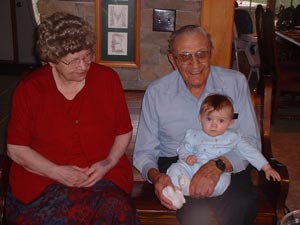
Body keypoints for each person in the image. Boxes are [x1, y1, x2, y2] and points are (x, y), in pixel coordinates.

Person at [6, 12, 140, 225]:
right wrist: (56, 172)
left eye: (87, 56)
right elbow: (16, 148)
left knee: (116, 210)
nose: (83, 66)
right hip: (43, 179)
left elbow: (123, 131)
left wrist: (107, 163)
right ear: (51, 61)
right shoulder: (30, 90)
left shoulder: (107, 80)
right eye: (72, 61)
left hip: (102, 177)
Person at [133, 24, 262, 225]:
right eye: (185, 56)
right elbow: (144, 152)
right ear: (173, 60)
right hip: (179, 163)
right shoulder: (157, 93)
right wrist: (156, 176)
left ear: (211, 52)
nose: (195, 63)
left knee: (242, 206)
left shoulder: (235, 83)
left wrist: (218, 165)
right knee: (195, 215)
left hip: (226, 156)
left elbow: (251, 141)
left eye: (201, 54)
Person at [164, 94, 280, 208]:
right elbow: (183, 148)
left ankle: (188, 189)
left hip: (218, 172)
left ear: (230, 122)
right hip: (194, 164)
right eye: (209, 119)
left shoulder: (234, 138)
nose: (214, 125)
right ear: (200, 117)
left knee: (223, 183)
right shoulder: (193, 134)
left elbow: (251, 152)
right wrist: (187, 156)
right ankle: (176, 192)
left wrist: (266, 167)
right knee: (175, 168)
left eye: (221, 121)